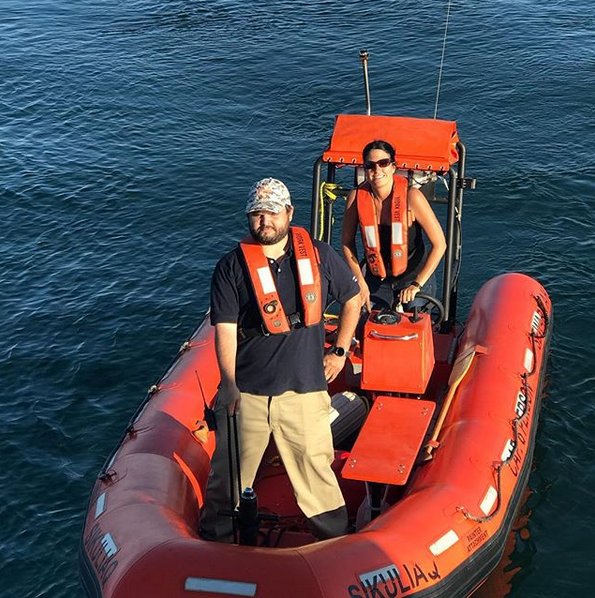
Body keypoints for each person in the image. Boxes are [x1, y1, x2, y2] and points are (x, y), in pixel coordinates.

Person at [200, 177, 361, 543]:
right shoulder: (231, 267)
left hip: (304, 391)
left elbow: (352, 299)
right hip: (249, 395)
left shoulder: (319, 255)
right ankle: (214, 543)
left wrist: (339, 352)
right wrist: (228, 385)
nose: (264, 221)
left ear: (289, 213)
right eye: (256, 213)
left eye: (271, 212)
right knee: (228, 476)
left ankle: (335, 545)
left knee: (316, 473)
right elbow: (224, 328)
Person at [341, 140, 446, 311]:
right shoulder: (356, 198)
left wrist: (417, 284)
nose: (377, 170)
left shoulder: (412, 197)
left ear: (393, 167)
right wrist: (359, 280)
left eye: (383, 163)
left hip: (413, 276)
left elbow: (440, 244)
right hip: (376, 277)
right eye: (370, 165)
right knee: (366, 320)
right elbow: (346, 243)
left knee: (416, 321)